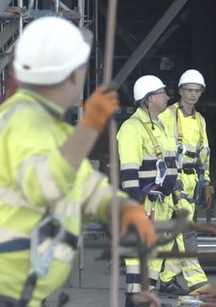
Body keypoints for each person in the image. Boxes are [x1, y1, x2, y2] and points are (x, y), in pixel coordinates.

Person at [0, 17, 156, 307]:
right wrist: (89, 128)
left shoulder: (46, 123)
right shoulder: (25, 120)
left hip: (24, 289)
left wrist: (118, 207)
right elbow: (45, 185)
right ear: (72, 75)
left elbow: (82, 185)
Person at [117, 75, 179, 305]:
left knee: (151, 272)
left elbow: (171, 166)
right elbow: (129, 173)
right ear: (149, 98)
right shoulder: (132, 128)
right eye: (162, 92)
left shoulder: (160, 126)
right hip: (144, 208)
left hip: (160, 207)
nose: (167, 96)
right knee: (138, 273)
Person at [157, 69, 210, 295]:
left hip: (193, 180)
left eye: (197, 91)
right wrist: (170, 182)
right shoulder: (168, 116)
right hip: (175, 179)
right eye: (189, 90)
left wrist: (207, 182)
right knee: (186, 231)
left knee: (173, 235)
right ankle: (198, 281)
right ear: (180, 91)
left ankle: (167, 278)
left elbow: (205, 152)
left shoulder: (199, 119)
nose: (193, 95)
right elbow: (161, 150)